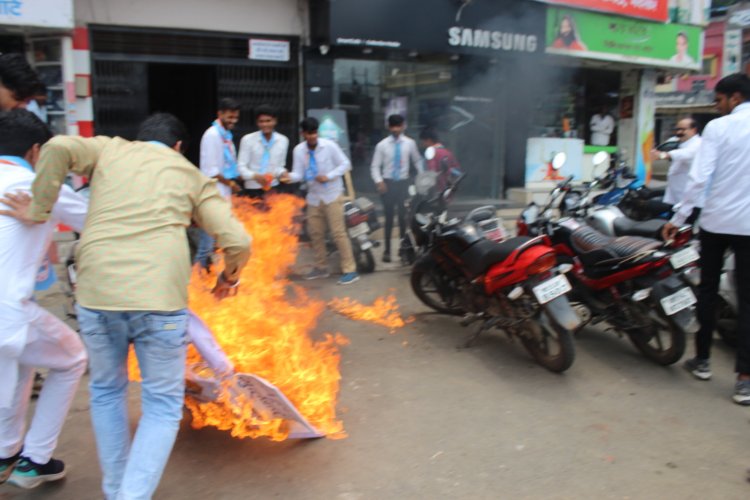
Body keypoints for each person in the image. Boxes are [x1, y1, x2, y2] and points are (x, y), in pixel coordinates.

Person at [5, 112, 251, 498]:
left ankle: (118, 490)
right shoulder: (190, 175)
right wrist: (228, 278)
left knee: (105, 391)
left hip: (97, 297)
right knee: (162, 405)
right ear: (178, 147)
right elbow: (239, 241)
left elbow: (56, 146)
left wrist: (39, 209)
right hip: (159, 303)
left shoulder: (111, 150)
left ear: (139, 138)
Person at [0, 110, 88, 489]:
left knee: (23, 364)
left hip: (11, 314)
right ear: (37, 151)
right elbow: (96, 220)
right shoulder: (38, 182)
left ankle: (6, 451)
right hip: (7, 312)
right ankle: (35, 460)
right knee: (73, 359)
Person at [662, 73, 750, 405]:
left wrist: (678, 219)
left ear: (735, 97)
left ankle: (702, 361)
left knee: (707, 291)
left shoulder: (718, 128)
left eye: (719, 100)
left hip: (716, 221)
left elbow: (699, 180)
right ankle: (744, 379)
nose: (717, 106)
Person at [283, 117, 359, 285]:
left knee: (338, 233)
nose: (312, 136)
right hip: (314, 197)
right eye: (309, 133)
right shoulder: (298, 150)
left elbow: (345, 164)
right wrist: (288, 177)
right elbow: (298, 174)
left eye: (315, 132)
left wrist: (329, 176)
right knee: (315, 234)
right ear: (303, 133)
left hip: (332, 194)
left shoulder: (329, 146)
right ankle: (321, 267)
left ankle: (350, 270)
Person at [197, 97, 242, 269]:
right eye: (230, 117)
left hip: (223, 197)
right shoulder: (212, 135)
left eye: (235, 117)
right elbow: (211, 171)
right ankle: (197, 285)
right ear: (220, 114)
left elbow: (229, 167)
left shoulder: (226, 137)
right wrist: (231, 184)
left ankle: (211, 283)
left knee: (218, 247)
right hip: (211, 198)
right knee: (206, 248)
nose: (233, 121)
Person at [371, 114, 421, 263]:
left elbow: (417, 161)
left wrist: (423, 177)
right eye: (393, 126)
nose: (396, 129)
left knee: (402, 218)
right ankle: (387, 251)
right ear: (388, 127)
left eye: (398, 126)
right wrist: (379, 181)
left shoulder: (410, 143)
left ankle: (402, 250)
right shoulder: (382, 145)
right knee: (388, 218)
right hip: (388, 184)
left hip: (403, 184)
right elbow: (375, 166)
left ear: (403, 126)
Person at [237, 105, 289, 198]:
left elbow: (279, 167)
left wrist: (283, 173)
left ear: (275, 121)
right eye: (261, 121)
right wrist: (255, 176)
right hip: (252, 189)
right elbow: (240, 168)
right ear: (257, 123)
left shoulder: (283, 140)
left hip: (273, 189)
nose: (265, 124)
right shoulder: (247, 140)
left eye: (268, 121)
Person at [650, 117, 702, 206]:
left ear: (694, 130)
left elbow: (686, 153)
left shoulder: (699, 143)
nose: (679, 132)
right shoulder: (680, 143)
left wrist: (664, 155)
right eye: (677, 129)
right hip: (676, 194)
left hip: (688, 197)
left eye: (683, 129)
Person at [419, 127, 461, 192]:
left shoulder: (430, 152)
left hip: (435, 192)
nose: (422, 144)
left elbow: (431, 172)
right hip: (448, 192)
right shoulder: (447, 152)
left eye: (423, 141)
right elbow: (457, 171)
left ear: (428, 140)